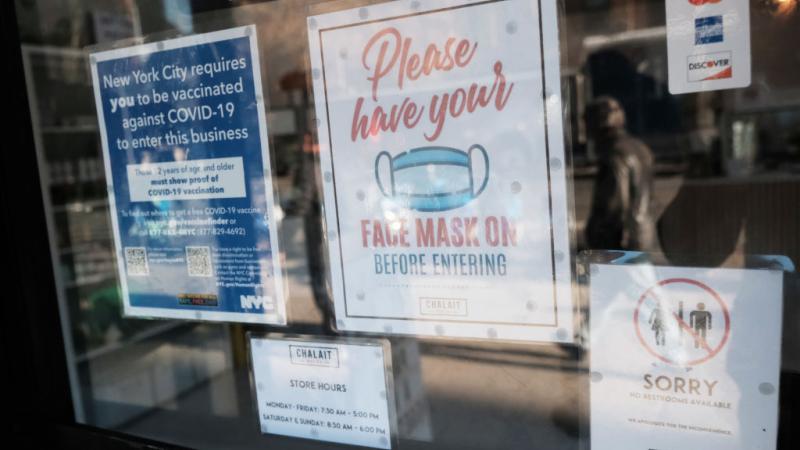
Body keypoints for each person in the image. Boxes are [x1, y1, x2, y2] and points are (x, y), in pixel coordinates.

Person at [585, 96, 657, 251]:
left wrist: (595, 237)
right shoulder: (640, 148)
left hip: (621, 241)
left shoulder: (615, 153)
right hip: (643, 235)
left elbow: (615, 205)